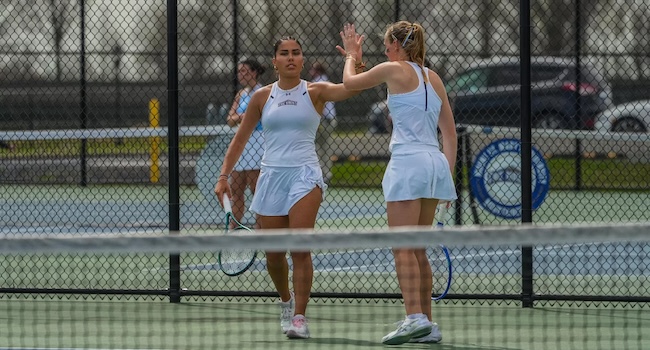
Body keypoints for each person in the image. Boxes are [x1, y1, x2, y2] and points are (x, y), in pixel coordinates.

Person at [214, 35, 365, 340]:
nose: (291, 57)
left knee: (300, 248)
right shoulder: (261, 97)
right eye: (284, 53)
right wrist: (223, 177)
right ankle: (286, 301)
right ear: (275, 62)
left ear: (303, 60)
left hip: (305, 176)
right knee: (273, 255)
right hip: (272, 177)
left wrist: (354, 60)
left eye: (297, 52)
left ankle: (299, 316)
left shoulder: (316, 91)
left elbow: (352, 88)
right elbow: (240, 139)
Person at [339, 22, 457, 345]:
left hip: (408, 164)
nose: (385, 50)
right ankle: (428, 324)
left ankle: (414, 317)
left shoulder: (392, 69)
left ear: (396, 45)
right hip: (434, 164)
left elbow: (349, 83)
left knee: (402, 246)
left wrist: (351, 55)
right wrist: (445, 175)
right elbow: (449, 133)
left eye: (387, 45)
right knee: (416, 248)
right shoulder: (434, 78)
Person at [225, 59, 266, 228]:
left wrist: (244, 117)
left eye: (244, 71)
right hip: (242, 144)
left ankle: (260, 229)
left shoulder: (263, 92)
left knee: (256, 190)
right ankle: (234, 228)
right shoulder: (241, 94)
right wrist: (245, 116)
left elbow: (262, 115)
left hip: (258, 142)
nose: (241, 75)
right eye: (239, 71)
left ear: (254, 72)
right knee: (236, 188)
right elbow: (230, 119)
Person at [309, 61, 338, 183]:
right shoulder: (327, 81)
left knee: (320, 148)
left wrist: (317, 118)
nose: (311, 72)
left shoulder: (319, 83)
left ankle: (323, 174)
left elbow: (322, 103)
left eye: (313, 70)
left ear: (317, 71)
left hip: (323, 120)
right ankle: (325, 173)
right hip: (329, 119)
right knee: (324, 148)